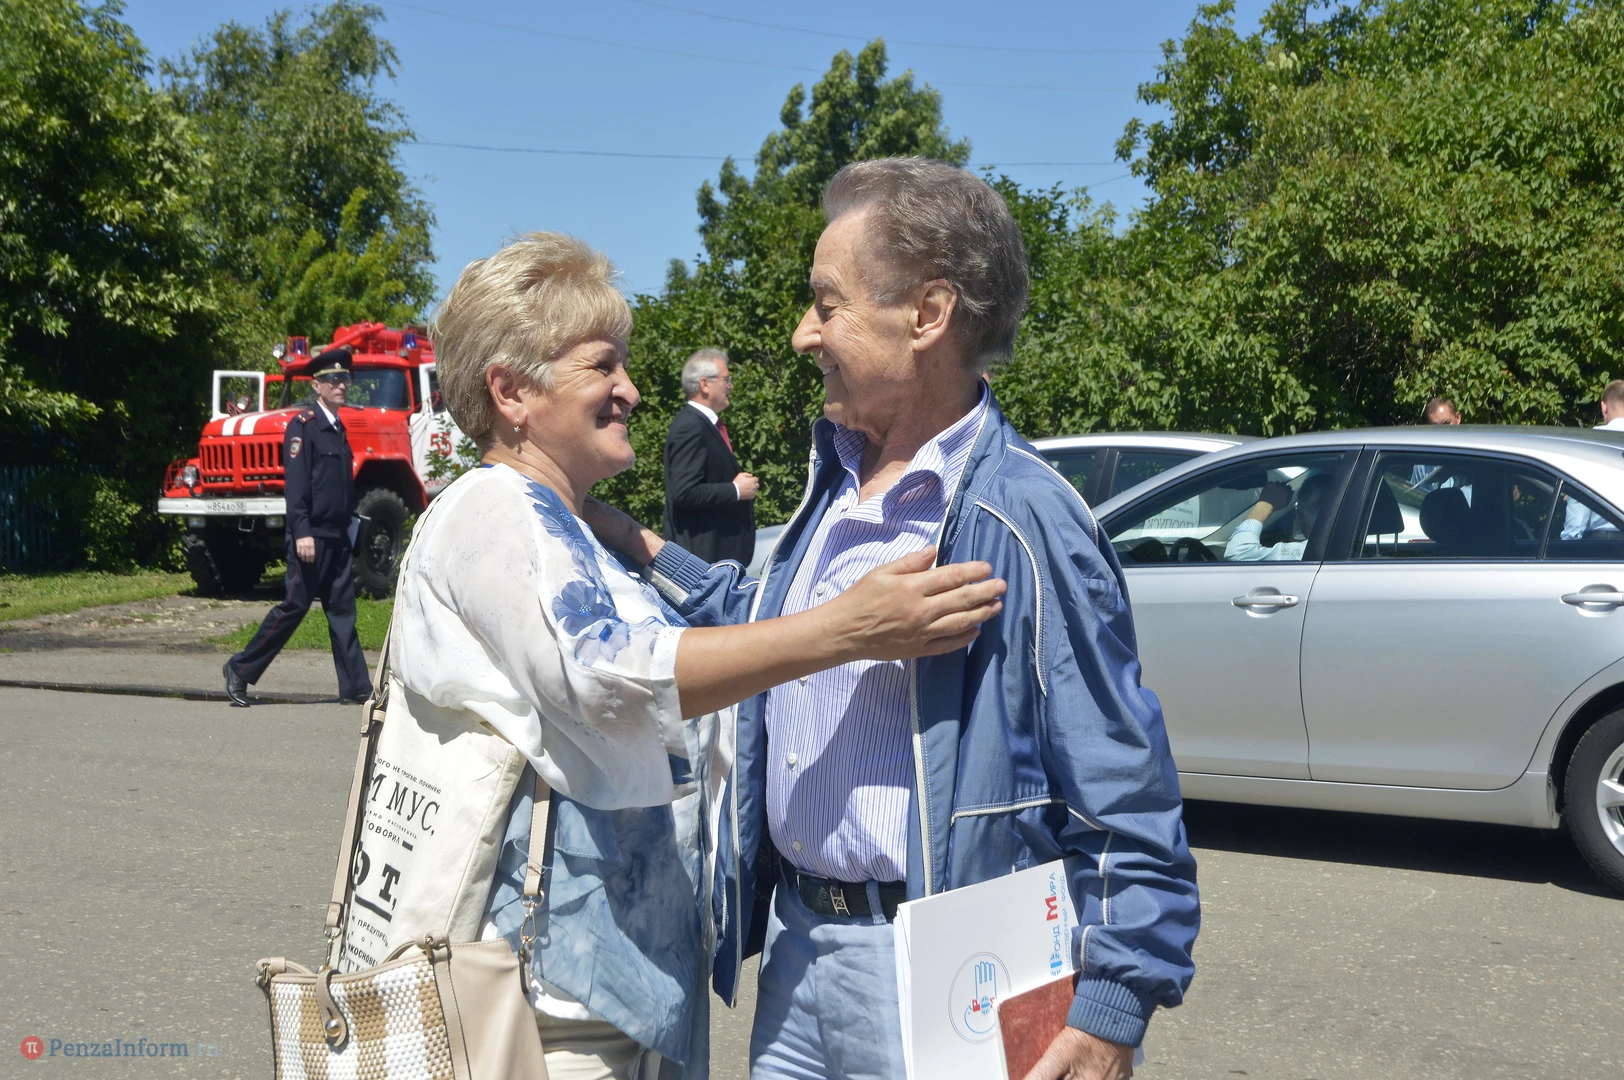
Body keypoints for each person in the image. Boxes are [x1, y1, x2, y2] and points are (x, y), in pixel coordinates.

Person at [586, 159, 1199, 1080]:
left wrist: (1114, 1005)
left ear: (928, 314)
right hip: (796, 951)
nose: (803, 334)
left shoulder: (1020, 518)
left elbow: (1121, 786)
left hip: (940, 973)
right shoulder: (837, 486)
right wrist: (626, 535)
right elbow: (763, 622)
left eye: (826, 304)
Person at [406, 232, 1005, 1080]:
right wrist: (844, 630)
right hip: (554, 994)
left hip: (617, 982)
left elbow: (737, 621)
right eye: (602, 365)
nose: (631, 389)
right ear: (511, 392)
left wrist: (635, 540)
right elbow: (609, 675)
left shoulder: (560, 522)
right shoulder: (493, 513)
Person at [224, 348, 370, 707]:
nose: (341, 385)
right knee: (294, 607)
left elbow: (339, 488)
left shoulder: (337, 428)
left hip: (337, 537)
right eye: (333, 380)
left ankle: (356, 687)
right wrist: (302, 531)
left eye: (345, 379)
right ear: (317, 386)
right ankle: (240, 670)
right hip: (312, 538)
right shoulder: (303, 427)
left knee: (342, 613)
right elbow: (298, 486)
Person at [662, 348, 758, 564]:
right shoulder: (691, 426)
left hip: (713, 559)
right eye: (726, 379)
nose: (730, 386)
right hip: (703, 562)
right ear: (704, 384)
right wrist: (735, 490)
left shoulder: (703, 424)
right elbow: (684, 492)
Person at [1561, 380, 1624, 540]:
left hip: (1604, 544)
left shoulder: (1591, 446)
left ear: (1604, 407)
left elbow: (1578, 514)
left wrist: (1568, 543)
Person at [1225, 473, 1333, 562]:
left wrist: (1266, 503)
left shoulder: (1311, 552)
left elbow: (1239, 553)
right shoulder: (1335, 551)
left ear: (1300, 516)